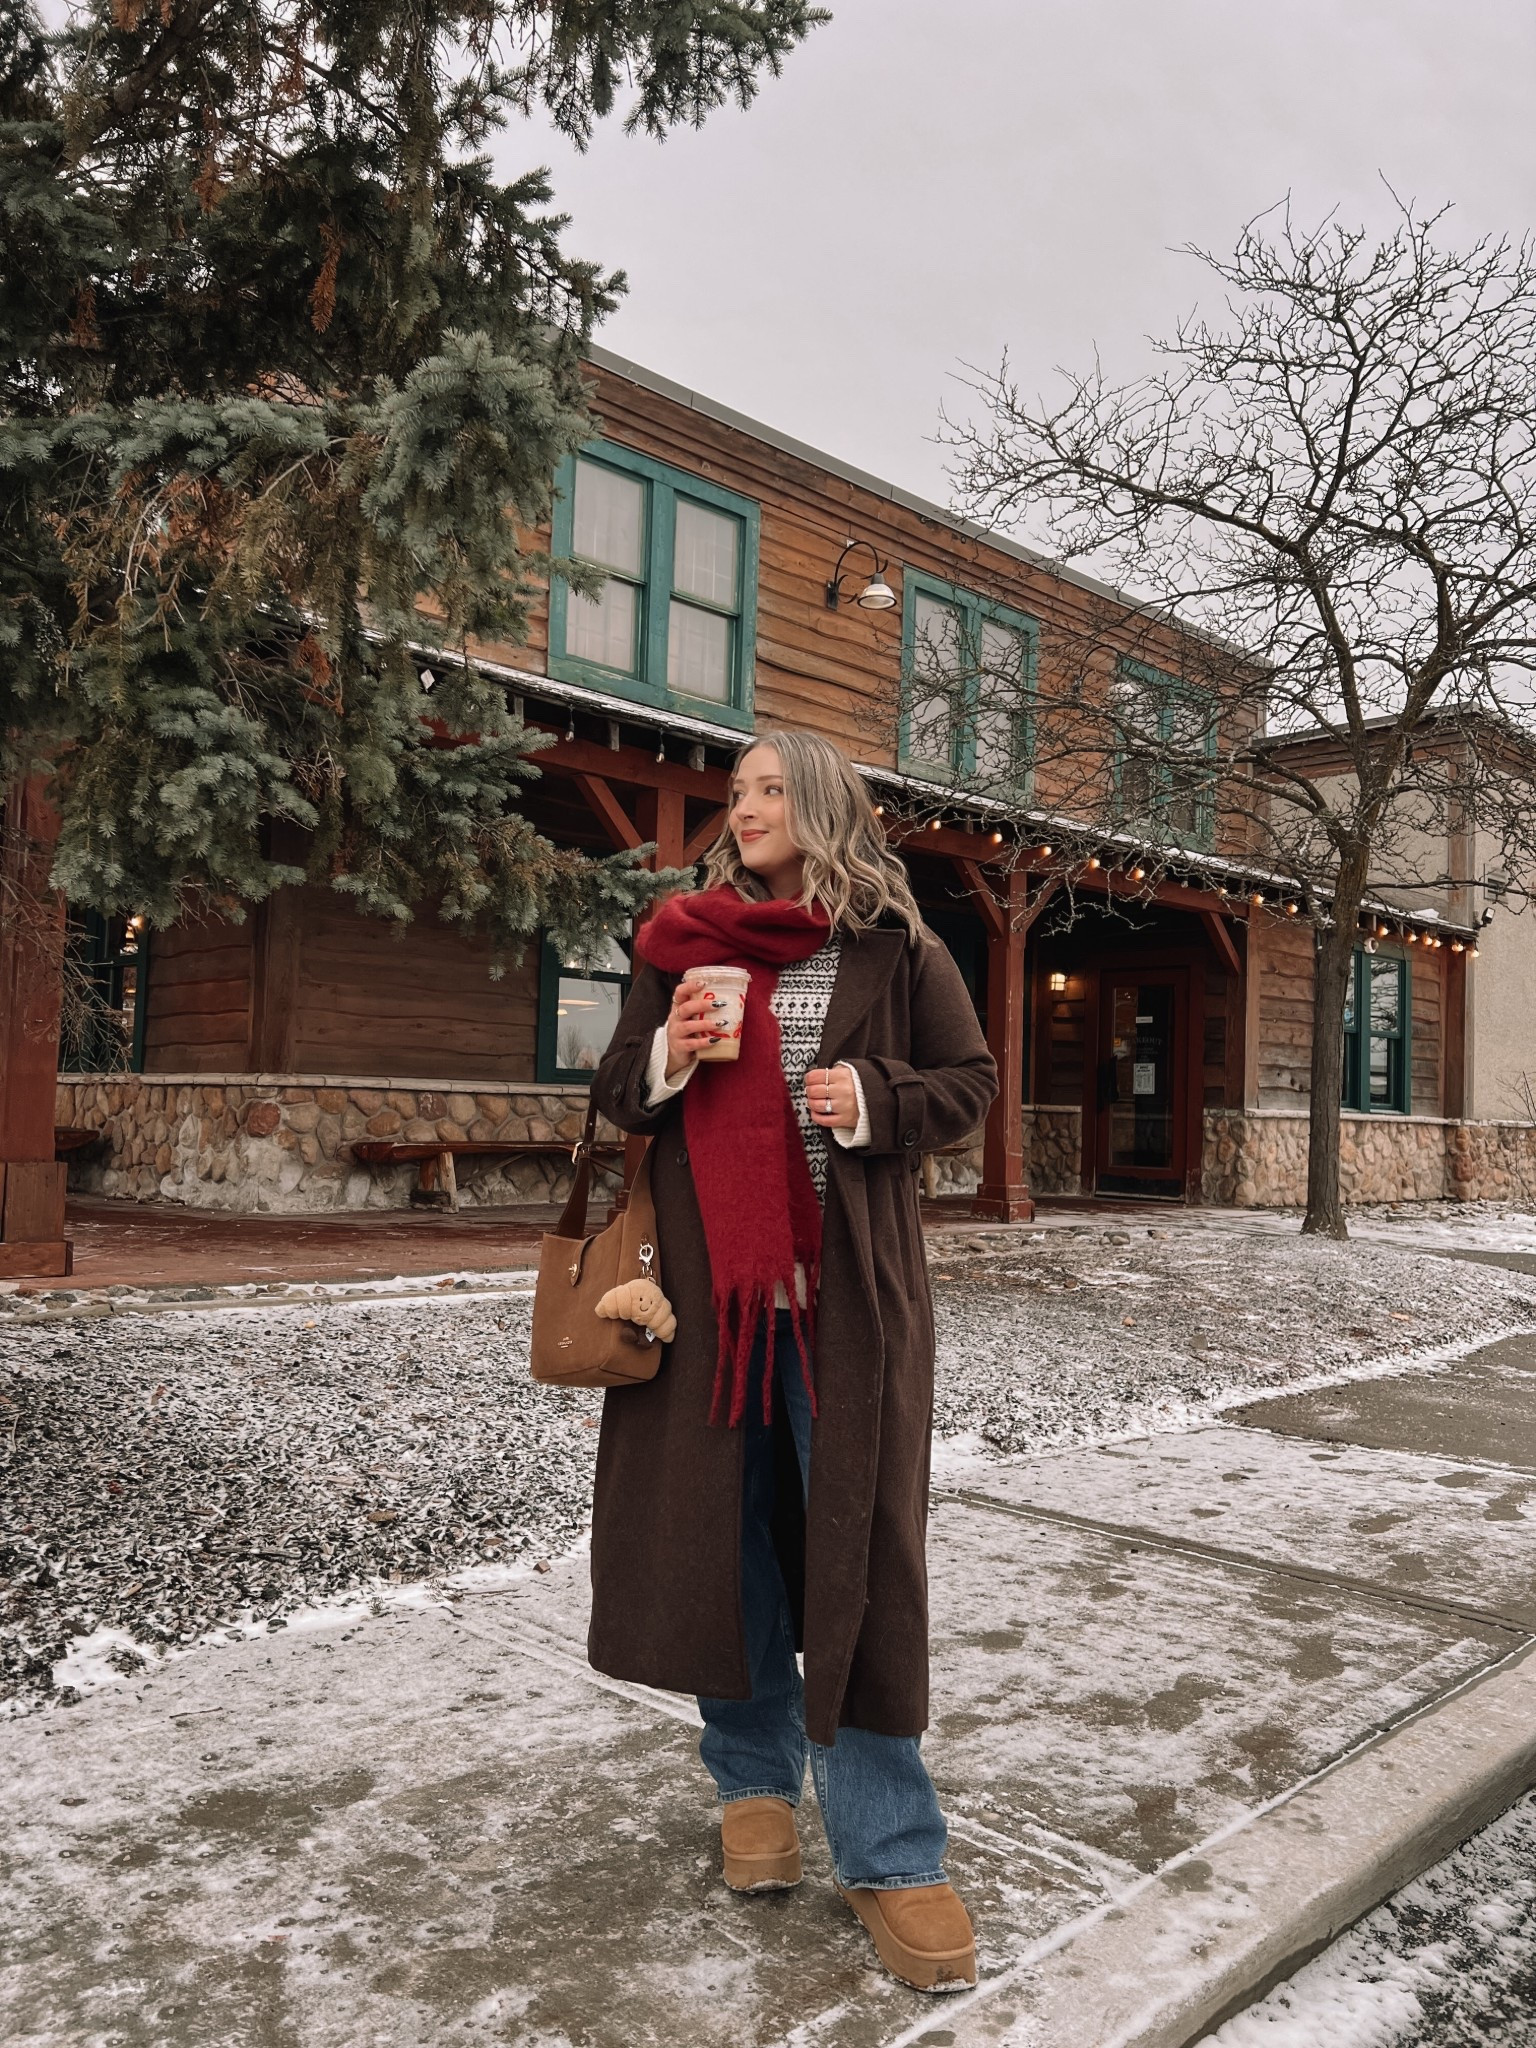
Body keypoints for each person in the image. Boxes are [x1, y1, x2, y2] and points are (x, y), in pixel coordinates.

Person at [588, 728, 998, 1993]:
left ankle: (889, 1846)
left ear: (823, 808)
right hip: (708, 1311)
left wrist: (868, 1098)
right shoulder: (680, 940)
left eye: (774, 787)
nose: (747, 804)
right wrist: (671, 1053)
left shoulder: (898, 944)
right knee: (732, 1535)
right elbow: (616, 1093)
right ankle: (754, 1780)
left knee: (861, 1552)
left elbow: (969, 1082)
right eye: (741, 788)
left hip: (848, 1304)